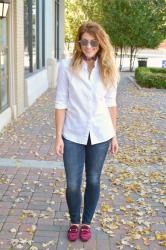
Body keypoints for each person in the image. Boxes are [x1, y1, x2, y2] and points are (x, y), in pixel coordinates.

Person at [55, 21, 119, 242]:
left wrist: (114, 134)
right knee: (73, 183)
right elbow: (61, 102)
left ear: (100, 43)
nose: (89, 46)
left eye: (93, 42)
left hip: (100, 134)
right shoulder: (66, 66)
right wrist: (58, 137)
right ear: (79, 42)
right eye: (85, 41)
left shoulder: (108, 67)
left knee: (93, 180)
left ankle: (86, 223)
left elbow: (111, 102)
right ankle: (74, 221)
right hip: (72, 133)